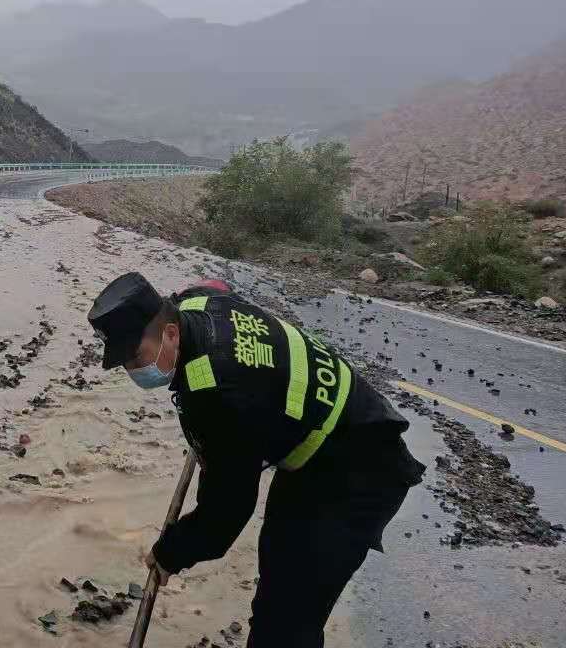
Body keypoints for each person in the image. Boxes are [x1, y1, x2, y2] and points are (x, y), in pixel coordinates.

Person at [88, 272, 425, 648]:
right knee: (277, 578)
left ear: (170, 332)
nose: (135, 370)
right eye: (124, 362)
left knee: (286, 620)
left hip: (358, 474)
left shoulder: (218, 394)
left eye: (137, 355)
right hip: (320, 443)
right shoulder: (198, 303)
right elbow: (216, 286)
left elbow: (226, 514)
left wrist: (171, 552)